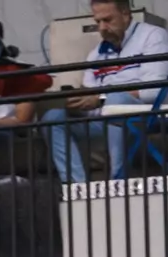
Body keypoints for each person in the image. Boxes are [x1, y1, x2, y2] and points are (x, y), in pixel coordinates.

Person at [44, 0, 168, 184]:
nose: (102, 27)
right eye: (98, 21)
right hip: (107, 116)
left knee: (116, 100)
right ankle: (77, 188)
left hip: (148, 114)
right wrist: (79, 104)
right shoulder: (96, 53)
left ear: (125, 13)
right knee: (53, 118)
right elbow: (91, 95)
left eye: (108, 20)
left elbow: (153, 91)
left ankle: (118, 182)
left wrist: (101, 98)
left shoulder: (152, 36)